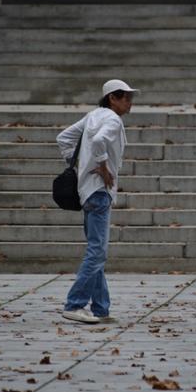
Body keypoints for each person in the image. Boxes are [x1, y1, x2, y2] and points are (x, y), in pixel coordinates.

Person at [56, 79, 138, 324]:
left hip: (87, 191)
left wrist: (80, 164)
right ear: (112, 98)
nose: (130, 103)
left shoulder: (93, 115)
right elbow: (100, 141)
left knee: (96, 250)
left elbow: (63, 138)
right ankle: (74, 304)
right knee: (97, 252)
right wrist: (101, 166)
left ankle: (101, 309)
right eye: (125, 97)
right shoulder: (112, 119)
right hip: (100, 192)